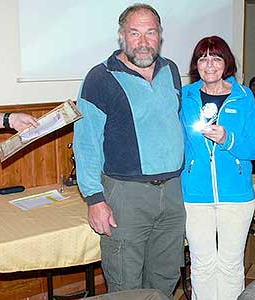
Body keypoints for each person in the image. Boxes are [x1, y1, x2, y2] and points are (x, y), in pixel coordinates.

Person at [73, 4, 185, 297]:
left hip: (173, 193)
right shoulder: (100, 78)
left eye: (151, 33)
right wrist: (95, 199)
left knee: (166, 275)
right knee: (125, 283)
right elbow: (85, 143)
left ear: (160, 36)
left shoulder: (171, 70)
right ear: (122, 36)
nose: (144, 41)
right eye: (135, 33)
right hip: (125, 196)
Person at [180, 36, 255, 300]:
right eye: (203, 58)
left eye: (216, 57)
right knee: (202, 265)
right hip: (195, 195)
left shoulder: (243, 96)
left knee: (230, 265)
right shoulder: (185, 96)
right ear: (196, 64)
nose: (209, 64)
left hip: (236, 196)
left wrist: (228, 139)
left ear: (226, 62)